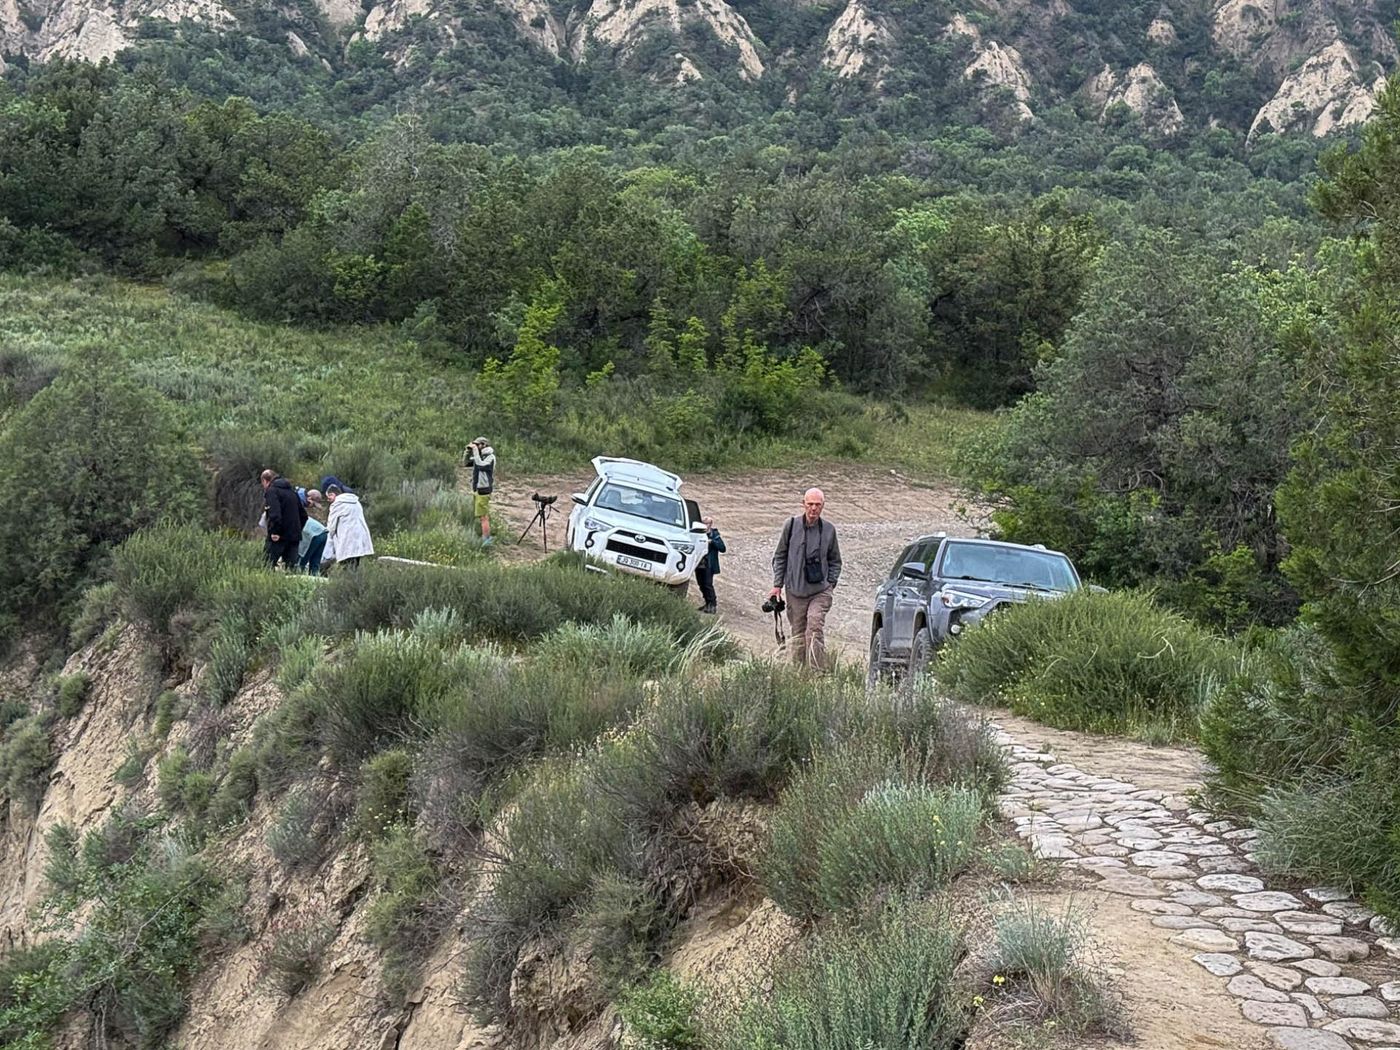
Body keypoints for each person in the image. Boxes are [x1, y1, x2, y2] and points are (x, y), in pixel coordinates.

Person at [769, 488, 842, 669]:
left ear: (823, 506)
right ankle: (799, 673)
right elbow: (780, 556)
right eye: (810, 504)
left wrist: (830, 584)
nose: (813, 508)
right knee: (798, 633)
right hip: (795, 590)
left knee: (815, 625)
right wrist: (777, 585)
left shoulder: (829, 530)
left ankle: (817, 672)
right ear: (803, 504)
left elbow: (835, 561)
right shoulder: (791, 526)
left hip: (820, 591)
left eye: (817, 505)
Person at [261, 468, 307, 570]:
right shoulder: (292, 492)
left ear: (265, 481)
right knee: (291, 570)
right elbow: (304, 516)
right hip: (294, 538)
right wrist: (296, 530)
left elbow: (275, 514)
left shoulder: (272, 491)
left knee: (267, 567)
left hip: (278, 537)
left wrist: (275, 531)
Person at [325, 482, 374, 569]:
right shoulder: (356, 502)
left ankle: (348, 577)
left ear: (332, 494)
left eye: (329, 497)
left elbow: (331, 528)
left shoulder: (337, 505)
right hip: (360, 539)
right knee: (355, 564)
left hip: (346, 540)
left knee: (346, 566)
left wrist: (328, 545)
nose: (328, 500)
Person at [465, 437, 495, 547]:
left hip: (484, 490)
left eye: (478, 445)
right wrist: (468, 452)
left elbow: (481, 465)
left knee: (483, 517)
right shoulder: (480, 456)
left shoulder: (490, 457)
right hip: (477, 489)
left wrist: (475, 452)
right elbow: (466, 463)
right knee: (482, 516)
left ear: (484, 445)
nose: (476, 447)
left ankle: (486, 540)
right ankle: (485, 536)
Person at [694, 516, 726, 615]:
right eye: (703, 523)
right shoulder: (698, 533)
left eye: (706, 523)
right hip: (699, 563)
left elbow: (722, 548)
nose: (705, 525)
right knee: (701, 584)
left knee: (708, 584)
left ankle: (712, 605)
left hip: (709, 564)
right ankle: (707, 603)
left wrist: (712, 542)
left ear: (710, 524)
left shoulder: (714, 535)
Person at [297, 490, 328, 574]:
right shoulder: (298, 501)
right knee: (315, 564)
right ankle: (314, 578)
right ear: (309, 498)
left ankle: (298, 578)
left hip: (313, 534)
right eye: (313, 504)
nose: (311, 507)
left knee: (300, 563)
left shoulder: (297, 499)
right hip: (322, 532)